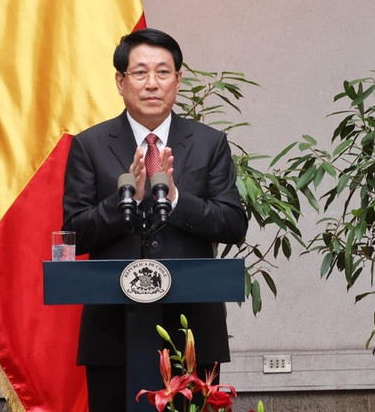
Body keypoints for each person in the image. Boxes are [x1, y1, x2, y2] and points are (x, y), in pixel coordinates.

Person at [62, 28, 248, 410]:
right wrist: (127, 198)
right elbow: (74, 234)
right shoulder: (90, 145)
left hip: (192, 328)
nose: (152, 84)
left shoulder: (210, 143)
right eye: (140, 72)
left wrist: (176, 198)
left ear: (178, 80)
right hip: (112, 331)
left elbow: (233, 224)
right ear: (120, 81)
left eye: (163, 73)